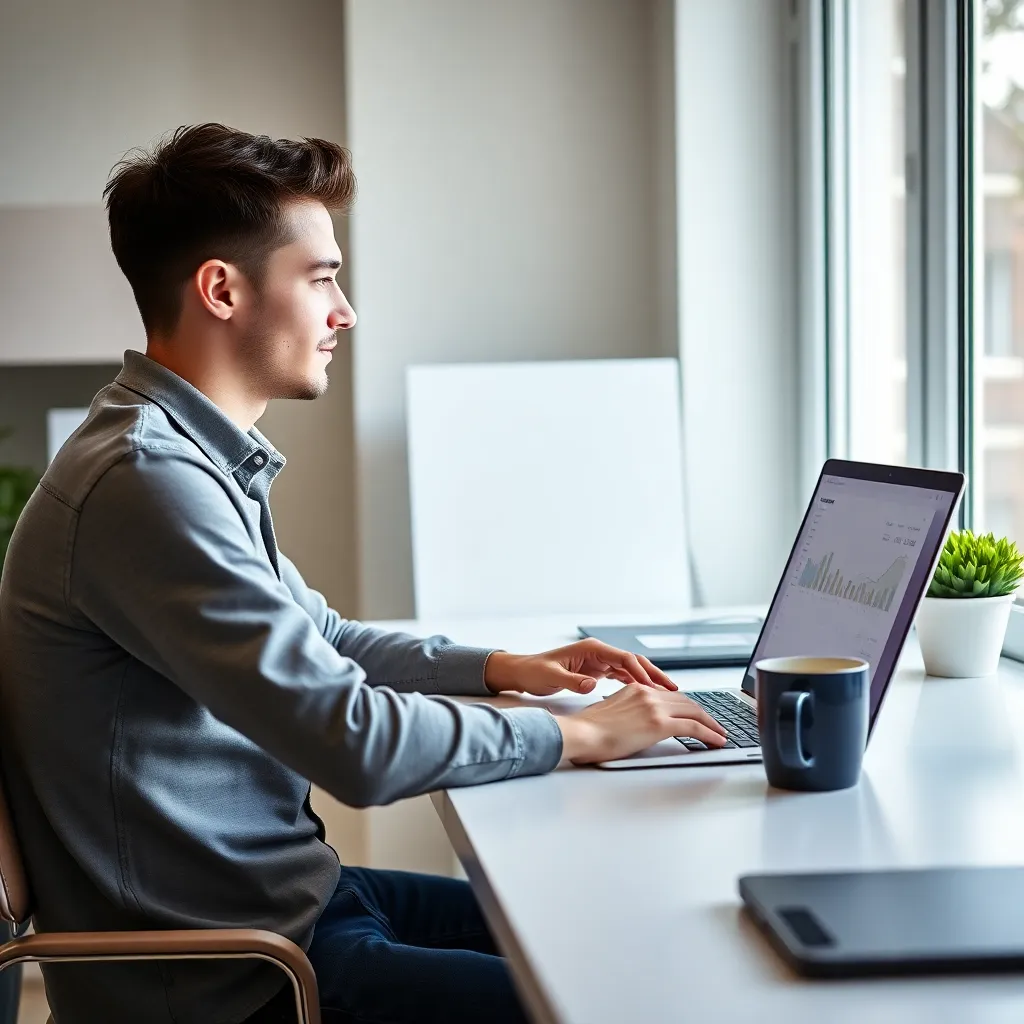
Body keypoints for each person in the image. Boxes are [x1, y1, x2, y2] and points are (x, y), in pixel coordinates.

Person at [0, 124, 727, 1024]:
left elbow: (326, 639)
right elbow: (354, 744)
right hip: (237, 976)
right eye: (321, 279)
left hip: (297, 906)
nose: (345, 312)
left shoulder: (182, 456)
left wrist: (503, 667)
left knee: (627, 939)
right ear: (222, 290)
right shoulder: (145, 480)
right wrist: (573, 735)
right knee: (623, 1001)